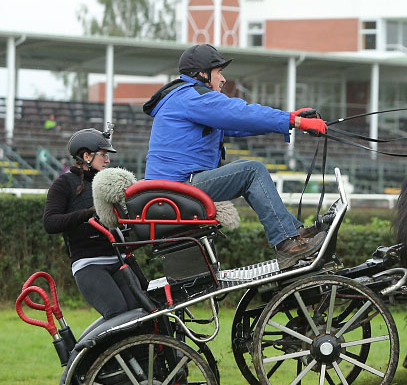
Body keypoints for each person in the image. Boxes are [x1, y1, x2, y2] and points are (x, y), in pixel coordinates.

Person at [143, 44, 328, 269]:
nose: (223, 79)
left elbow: (239, 125)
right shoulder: (193, 97)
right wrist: (294, 121)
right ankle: (287, 241)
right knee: (251, 171)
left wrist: (289, 119)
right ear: (202, 74)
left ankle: (293, 233)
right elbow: (241, 113)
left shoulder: (186, 97)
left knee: (249, 170)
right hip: (179, 189)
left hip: (176, 187)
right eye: (218, 72)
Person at [43, 129, 140, 319]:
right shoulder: (64, 184)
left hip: (120, 260)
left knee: (141, 312)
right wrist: (88, 213)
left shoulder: (109, 183)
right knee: (117, 312)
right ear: (86, 156)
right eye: (103, 155)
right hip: (89, 265)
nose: (108, 160)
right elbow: (50, 223)